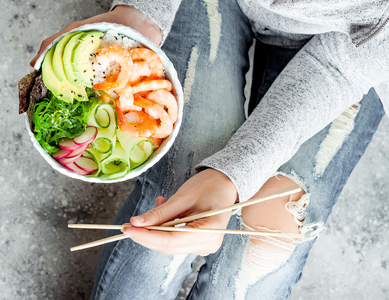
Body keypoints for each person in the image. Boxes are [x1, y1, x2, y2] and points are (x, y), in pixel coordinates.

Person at [30, 1, 389, 299]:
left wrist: (230, 176)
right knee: (175, 201)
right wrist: (141, 12)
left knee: (268, 244)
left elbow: (337, 67)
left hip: (353, 48)